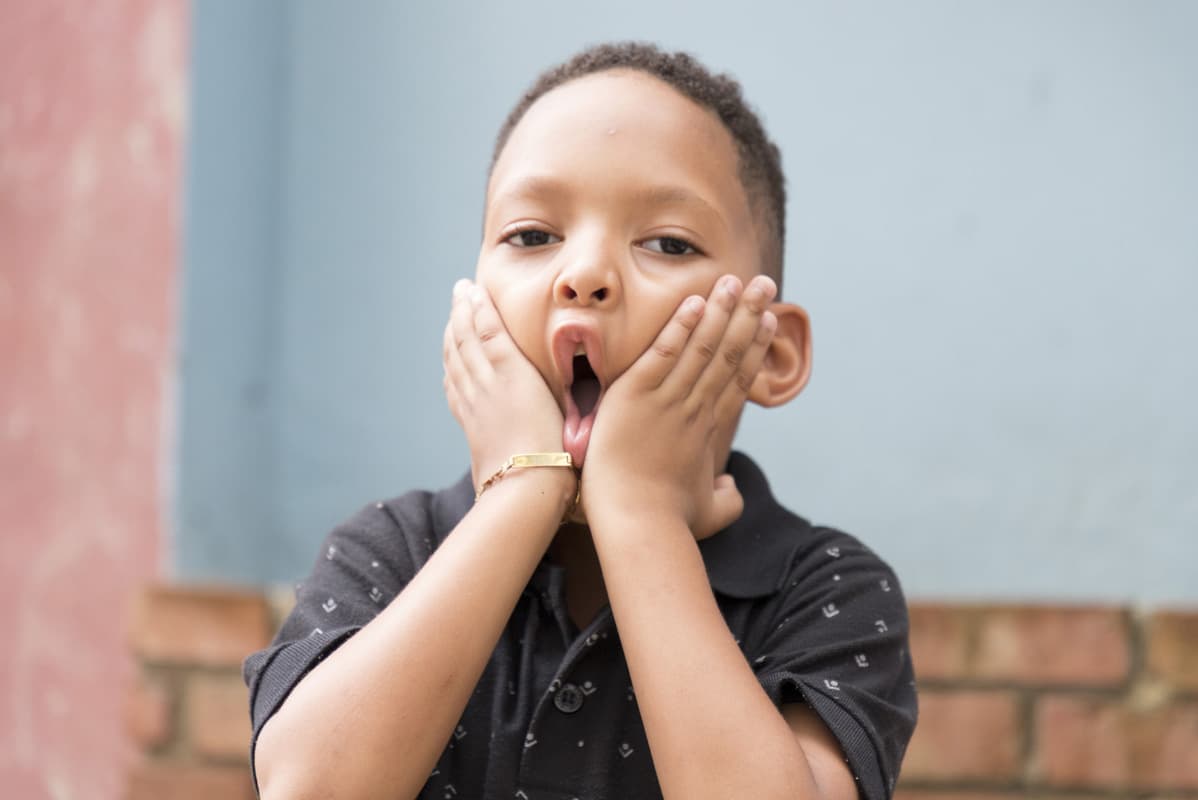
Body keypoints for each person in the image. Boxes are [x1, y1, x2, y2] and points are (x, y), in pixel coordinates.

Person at [244, 41, 917, 800]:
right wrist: (521, 493)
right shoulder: (392, 553)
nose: (585, 275)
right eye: (532, 236)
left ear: (770, 352)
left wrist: (638, 510)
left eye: (666, 242)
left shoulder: (824, 587)